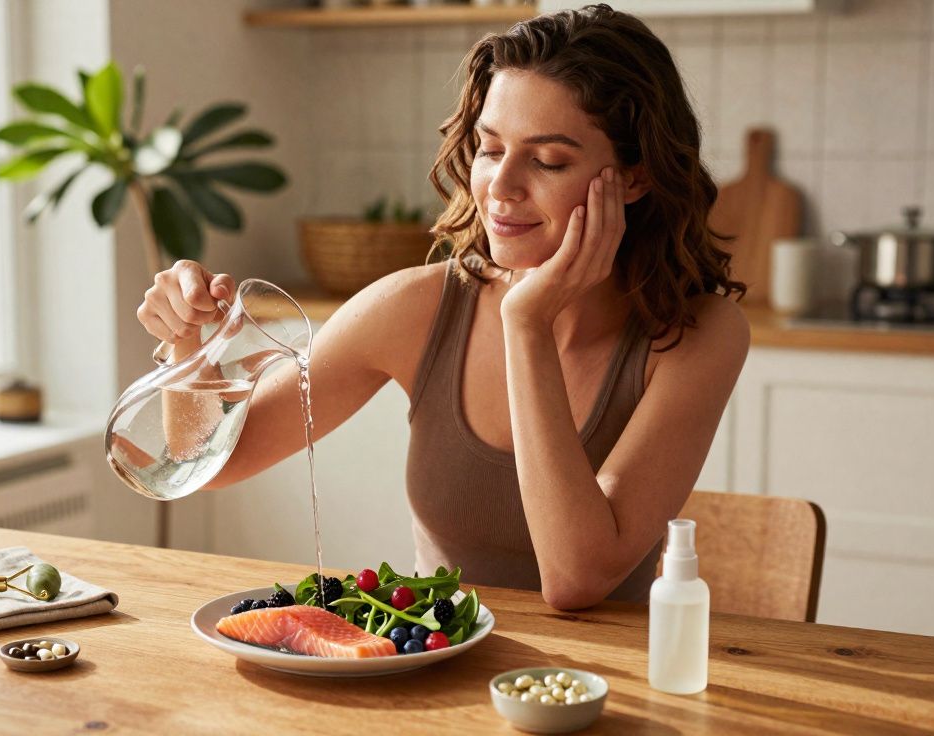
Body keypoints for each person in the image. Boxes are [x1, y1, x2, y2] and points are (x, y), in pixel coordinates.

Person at [134, 4, 748, 610]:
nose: (501, 188)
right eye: (489, 148)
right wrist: (188, 342)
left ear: (634, 179)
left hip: (601, 690)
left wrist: (526, 323)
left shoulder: (699, 335)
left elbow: (577, 579)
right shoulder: (415, 307)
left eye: (548, 160)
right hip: (430, 670)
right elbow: (209, 461)